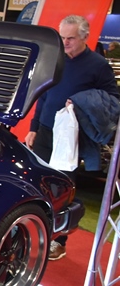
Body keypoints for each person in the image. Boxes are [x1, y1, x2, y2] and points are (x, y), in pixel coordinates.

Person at [25, 15, 120, 260]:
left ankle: (59, 240)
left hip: (70, 135)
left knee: (63, 187)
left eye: (71, 38)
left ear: (85, 37)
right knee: (37, 182)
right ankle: (35, 231)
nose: (65, 42)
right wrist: (34, 127)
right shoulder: (55, 58)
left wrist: (83, 101)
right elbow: (43, 94)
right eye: (62, 37)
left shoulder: (98, 65)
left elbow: (113, 100)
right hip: (46, 129)